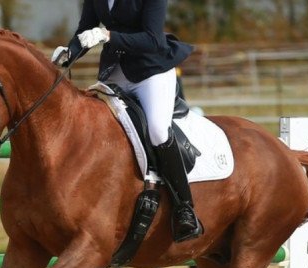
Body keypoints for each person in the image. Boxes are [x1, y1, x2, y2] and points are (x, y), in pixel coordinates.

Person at [51, 0, 203, 243]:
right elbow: (85, 29)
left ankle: (185, 208)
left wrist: (108, 35)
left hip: (151, 71)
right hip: (115, 73)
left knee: (157, 131)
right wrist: (70, 52)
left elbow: (153, 40)